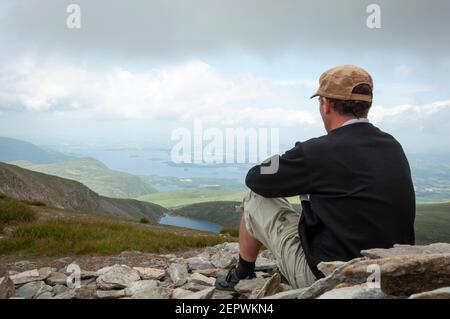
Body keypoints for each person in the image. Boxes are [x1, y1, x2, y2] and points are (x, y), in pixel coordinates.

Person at [215, 65, 416, 291]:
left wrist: (285, 158)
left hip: (331, 279)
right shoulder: (392, 146)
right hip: (391, 275)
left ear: (326, 104)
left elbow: (256, 178)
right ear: (366, 105)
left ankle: (242, 274)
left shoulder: (318, 151)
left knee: (255, 198)